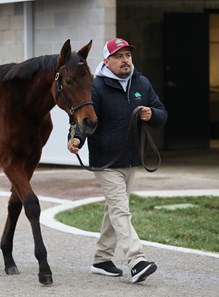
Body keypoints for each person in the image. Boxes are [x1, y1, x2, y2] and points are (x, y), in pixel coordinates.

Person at [67, 37, 168, 283]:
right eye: (119, 56)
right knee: (121, 210)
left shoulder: (141, 83)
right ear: (107, 61)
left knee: (114, 209)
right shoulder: (96, 86)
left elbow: (162, 113)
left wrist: (151, 113)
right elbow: (84, 117)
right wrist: (77, 138)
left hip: (132, 158)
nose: (125, 60)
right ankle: (136, 261)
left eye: (128, 56)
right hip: (106, 161)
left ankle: (102, 259)